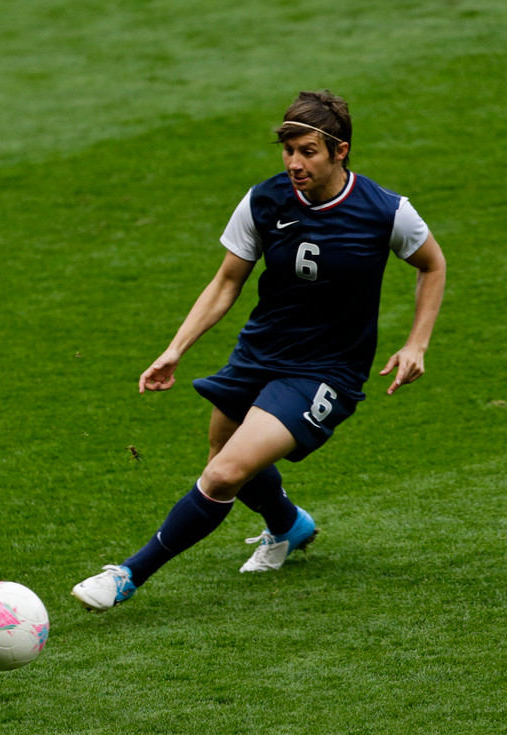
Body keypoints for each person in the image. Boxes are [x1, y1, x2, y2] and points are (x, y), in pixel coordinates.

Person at [72, 90, 446, 612]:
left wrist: (416, 343)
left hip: (327, 369)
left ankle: (128, 575)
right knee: (225, 460)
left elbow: (432, 264)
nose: (295, 163)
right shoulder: (264, 201)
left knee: (224, 473)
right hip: (260, 351)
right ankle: (289, 525)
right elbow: (226, 282)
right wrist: (175, 348)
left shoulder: (386, 212)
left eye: (308, 152)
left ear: (340, 152)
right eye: (288, 150)